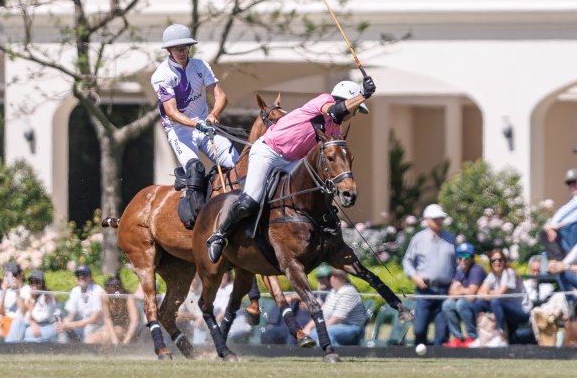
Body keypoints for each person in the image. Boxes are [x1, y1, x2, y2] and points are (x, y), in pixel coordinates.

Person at [206, 76, 375, 263]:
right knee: (250, 200)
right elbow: (335, 110)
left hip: (292, 160)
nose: (355, 113)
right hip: (268, 151)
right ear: (345, 100)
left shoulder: (334, 129)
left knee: (307, 192)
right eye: (355, 109)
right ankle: (219, 234)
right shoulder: (325, 100)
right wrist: (364, 95)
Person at [151, 23, 240, 229]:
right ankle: (194, 220)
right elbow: (172, 112)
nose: (182, 52)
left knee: (235, 163)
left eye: (185, 48)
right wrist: (196, 124)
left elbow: (220, 95)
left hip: (205, 127)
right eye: (177, 49)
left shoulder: (200, 66)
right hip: (180, 132)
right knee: (195, 170)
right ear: (169, 50)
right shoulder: (162, 75)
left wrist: (214, 114)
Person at [402, 203, 456, 346]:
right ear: (427, 220)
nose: (439, 221)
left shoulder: (450, 238)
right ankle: (420, 356)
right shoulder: (418, 239)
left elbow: (456, 265)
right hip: (424, 290)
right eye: (435, 218)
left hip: (445, 290)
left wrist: (455, 284)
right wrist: (415, 277)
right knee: (419, 328)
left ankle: (440, 359)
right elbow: (407, 261)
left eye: (440, 218)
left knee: (442, 330)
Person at [472, 249, 529, 347]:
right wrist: (490, 294)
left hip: (522, 311)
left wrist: (488, 292)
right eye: (493, 260)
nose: (497, 262)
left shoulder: (509, 273)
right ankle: (480, 336)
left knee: (495, 302)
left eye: (500, 260)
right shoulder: (492, 275)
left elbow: (499, 294)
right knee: (479, 303)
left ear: (504, 261)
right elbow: (479, 293)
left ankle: (502, 338)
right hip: (503, 307)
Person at [303, 269, 368, 346]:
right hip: (337, 326)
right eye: (331, 276)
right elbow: (322, 313)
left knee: (321, 333)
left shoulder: (348, 291)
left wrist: (320, 329)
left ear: (342, 278)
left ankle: (336, 354)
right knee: (313, 332)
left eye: (334, 276)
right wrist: (307, 328)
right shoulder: (333, 292)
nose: (331, 279)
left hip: (352, 328)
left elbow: (336, 318)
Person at [441, 242, 485, 348]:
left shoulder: (477, 269)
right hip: (466, 300)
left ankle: (473, 337)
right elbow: (451, 293)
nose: (463, 259)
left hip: (480, 303)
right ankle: (458, 338)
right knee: (447, 304)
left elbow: (471, 295)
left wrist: (460, 289)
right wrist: (463, 290)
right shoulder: (459, 270)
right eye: (460, 256)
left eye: (466, 256)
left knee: (461, 304)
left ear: (473, 257)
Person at [538, 169, 577, 260]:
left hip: (574, 230)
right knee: (544, 233)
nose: (572, 185)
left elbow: (576, 216)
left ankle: (561, 263)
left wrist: (555, 226)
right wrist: (550, 226)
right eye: (569, 183)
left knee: (569, 228)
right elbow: (562, 213)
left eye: (574, 182)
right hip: (564, 229)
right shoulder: (575, 199)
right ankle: (559, 263)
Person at [5, 269, 58, 343]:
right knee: (17, 322)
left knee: (28, 333)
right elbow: (24, 315)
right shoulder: (33, 296)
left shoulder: (48, 297)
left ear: (42, 283)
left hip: (48, 326)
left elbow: (40, 318)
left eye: (37, 282)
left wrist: (30, 308)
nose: (34, 285)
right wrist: (17, 292)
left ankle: (11, 346)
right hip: (36, 325)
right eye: (31, 282)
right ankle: (9, 346)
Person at [55, 265, 105, 342]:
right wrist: (62, 325)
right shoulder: (75, 291)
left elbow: (93, 320)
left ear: (91, 277)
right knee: (62, 331)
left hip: (100, 326)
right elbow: (70, 316)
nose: (81, 277)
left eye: (84, 274)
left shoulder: (97, 290)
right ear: (76, 278)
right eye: (78, 275)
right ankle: (64, 352)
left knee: (88, 329)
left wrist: (70, 325)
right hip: (84, 326)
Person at [85, 275, 140, 345]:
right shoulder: (105, 296)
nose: (112, 293)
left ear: (120, 289)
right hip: (110, 327)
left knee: (115, 331)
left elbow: (134, 322)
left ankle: (108, 351)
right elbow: (107, 319)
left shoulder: (128, 298)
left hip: (128, 329)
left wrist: (125, 342)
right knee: (90, 340)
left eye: (114, 290)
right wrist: (114, 339)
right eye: (109, 290)